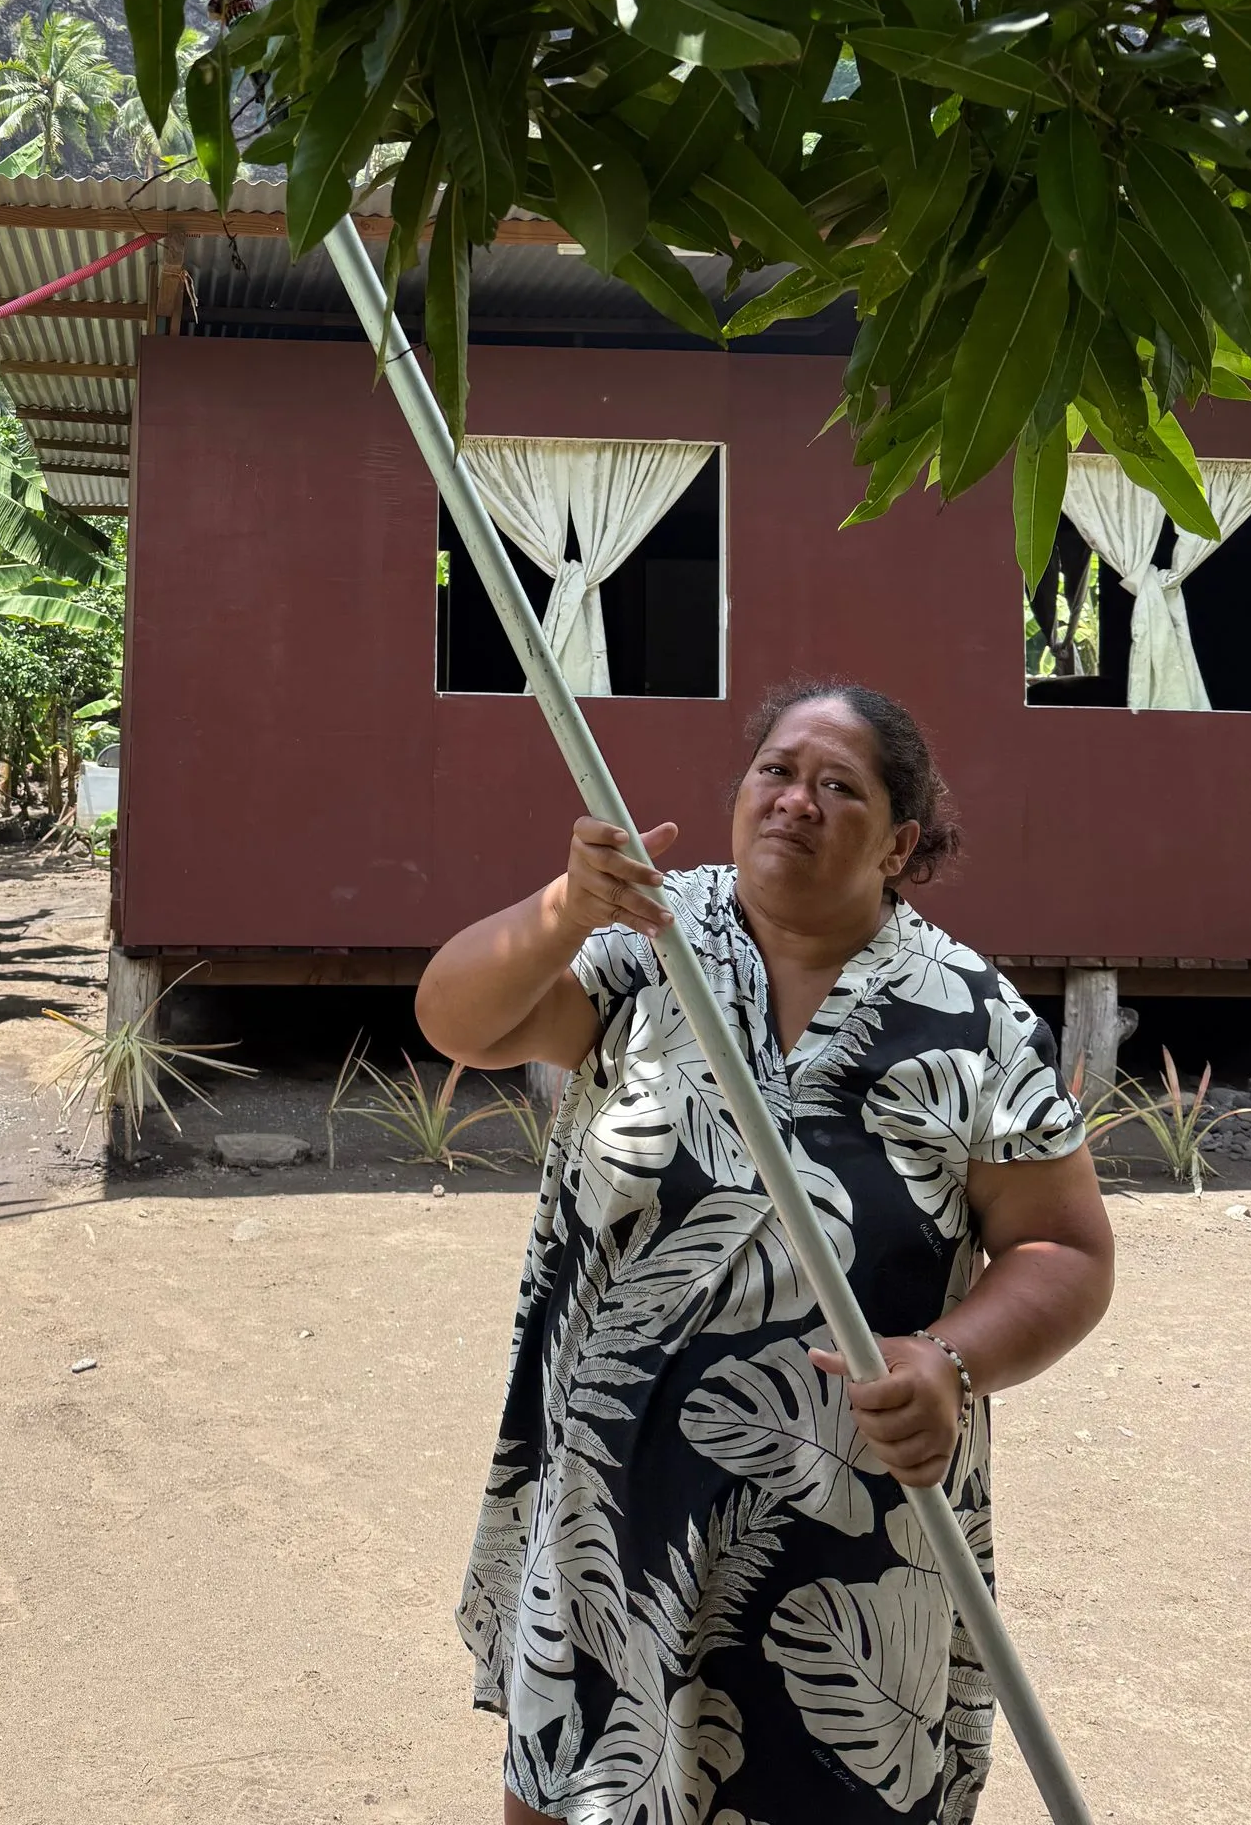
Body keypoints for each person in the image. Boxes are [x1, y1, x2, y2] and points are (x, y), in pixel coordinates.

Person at [418, 681, 1114, 1825]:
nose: (797, 799)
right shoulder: (645, 942)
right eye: (776, 772)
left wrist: (950, 1356)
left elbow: (1062, 1246)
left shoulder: (972, 1017)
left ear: (899, 842)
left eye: (839, 785)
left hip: (848, 1537)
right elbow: (460, 1020)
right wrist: (564, 903)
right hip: (614, 1513)